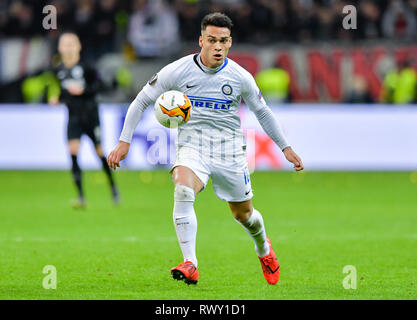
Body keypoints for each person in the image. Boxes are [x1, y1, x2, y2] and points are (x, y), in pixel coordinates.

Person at [108, 13, 303, 285]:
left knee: (245, 216)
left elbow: (263, 112)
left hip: (230, 151)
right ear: (201, 40)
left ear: (230, 42)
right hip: (193, 146)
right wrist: (124, 141)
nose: (218, 47)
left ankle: (264, 249)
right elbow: (141, 101)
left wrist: (286, 147)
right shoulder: (178, 71)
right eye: (212, 40)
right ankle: (191, 263)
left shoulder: (240, 77)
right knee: (183, 188)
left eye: (223, 41)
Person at [49, 32, 119, 208]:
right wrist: (57, 98)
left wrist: (84, 90)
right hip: (73, 118)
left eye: (72, 43)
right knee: (73, 153)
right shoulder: (59, 71)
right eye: (65, 44)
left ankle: (113, 187)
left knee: (99, 153)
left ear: (79, 46)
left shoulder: (88, 67)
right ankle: (81, 196)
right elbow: (64, 92)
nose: (68, 47)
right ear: (60, 48)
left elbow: (100, 86)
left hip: (91, 116)